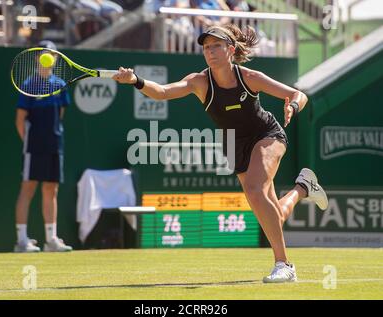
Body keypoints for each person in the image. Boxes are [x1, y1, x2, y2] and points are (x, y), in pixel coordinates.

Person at [112, 24, 329, 283]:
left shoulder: (249, 77)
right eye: (206, 47)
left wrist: (292, 105)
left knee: (255, 191)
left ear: (231, 49)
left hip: (267, 136)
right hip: (234, 144)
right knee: (273, 215)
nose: (210, 51)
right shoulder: (199, 81)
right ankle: (303, 188)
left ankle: (284, 264)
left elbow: (298, 94)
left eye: (216, 45)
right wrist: (136, 80)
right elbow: (162, 93)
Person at [14, 40, 73, 253]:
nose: (48, 57)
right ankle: (21, 241)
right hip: (34, 146)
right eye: (44, 53)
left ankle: (51, 240)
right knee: (28, 188)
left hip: (55, 144)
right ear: (37, 57)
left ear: (56, 59)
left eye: (52, 54)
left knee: (51, 189)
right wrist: (29, 143)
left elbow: (60, 115)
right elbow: (20, 120)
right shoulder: (29, 84)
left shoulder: (59, 85)